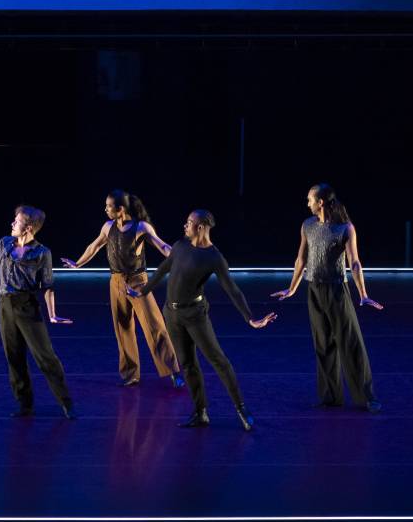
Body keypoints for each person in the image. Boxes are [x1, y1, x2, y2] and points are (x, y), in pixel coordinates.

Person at [129, 209, 277, 430]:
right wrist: (143, 291)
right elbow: (162, 270)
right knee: (187, 364)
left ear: (200, 227)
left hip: (195, 315)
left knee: (219, 360)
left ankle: (241, 408)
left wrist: (250, 318)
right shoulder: (179, 247)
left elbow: (233, 290)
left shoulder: (213, 257)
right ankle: (200, 412)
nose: (185, 226)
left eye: (189, 222)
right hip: (172, 314)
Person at [272, 184, 383, 411]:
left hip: (336, 291)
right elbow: (301, 260)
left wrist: (363, 294)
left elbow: (354, 262)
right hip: (314, 290)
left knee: (350, 343)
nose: (308, 203)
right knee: (323, 344)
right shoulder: (308, 225)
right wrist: (292, 288)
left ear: (321, 202)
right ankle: (330, 396)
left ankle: (365, 397)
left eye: (310, 199)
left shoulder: (345, 228)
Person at [62, 190, 183, 388]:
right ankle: (131, 374)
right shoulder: (108, 226)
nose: (105, 209)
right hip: (116, 282)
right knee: (123, 327)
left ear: (120, 209)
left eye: (109, 206)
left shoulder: (140, 226)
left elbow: (162, 246)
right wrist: (78, 263)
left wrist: (181, 257)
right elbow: (95, 246)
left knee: (154, 326)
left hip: (138, 282)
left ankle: (172, 370)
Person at [0, 206, 76, 419]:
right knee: (14, 357)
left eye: (16, 222)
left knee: (45, 357)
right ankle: (25, 405)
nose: (12, 224)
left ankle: (66, 402)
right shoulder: (4, 243)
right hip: (5, 306)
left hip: (27, 306)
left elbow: (48, 285)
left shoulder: (42, 252)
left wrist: (52, 314)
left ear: (29, 227)